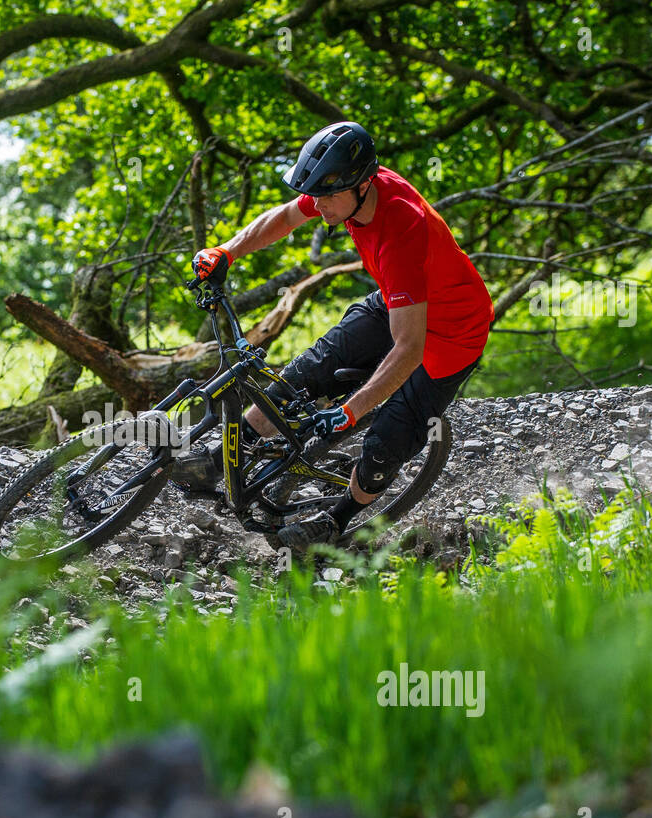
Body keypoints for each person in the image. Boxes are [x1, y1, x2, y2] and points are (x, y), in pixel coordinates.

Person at [168, 121, 493, 549]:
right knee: (307, 371)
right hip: (404, 303)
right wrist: (226, 251)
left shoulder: (402, 230)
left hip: (453, 334)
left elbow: (410, 347)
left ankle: (337, 521)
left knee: (385, 442)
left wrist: (350, 411)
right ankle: (219, 461)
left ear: (361, 186)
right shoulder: (344, 193)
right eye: (315, 194)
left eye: (326, 196)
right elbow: (284, 217)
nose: (317, 206)